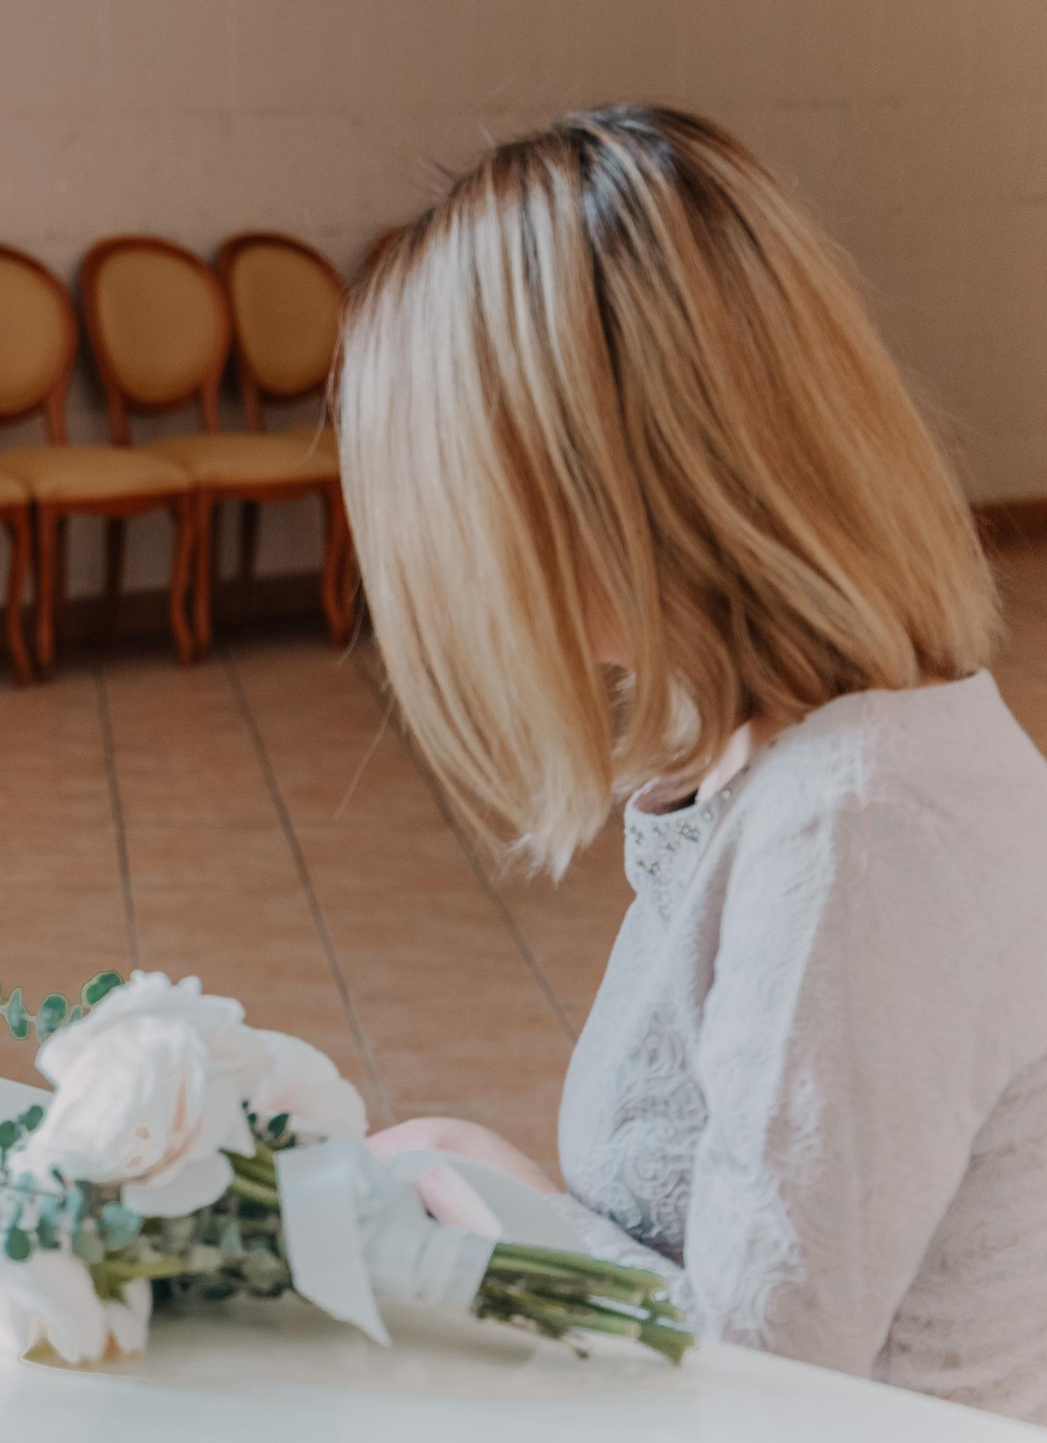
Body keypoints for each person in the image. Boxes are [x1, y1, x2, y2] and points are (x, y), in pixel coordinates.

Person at [339, 106, 1047, 1420]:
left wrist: (500, 1200)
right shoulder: (828, 755)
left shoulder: (854, 829)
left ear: (598, 483)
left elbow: (753, 1391)